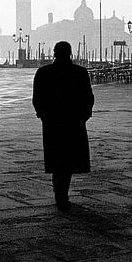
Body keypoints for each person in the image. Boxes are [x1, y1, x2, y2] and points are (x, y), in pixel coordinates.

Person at [32, 41, 94, 211]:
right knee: (68, 160)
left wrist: (43, 115)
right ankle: (62, 193)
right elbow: (88, 98)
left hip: (52, 123)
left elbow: (37, 98)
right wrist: (83, 117)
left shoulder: (43, 72)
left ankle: (59, 192)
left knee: (56, 159)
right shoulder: (80, 73)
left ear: (54, 53)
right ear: (70, 53)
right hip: (73, 122)